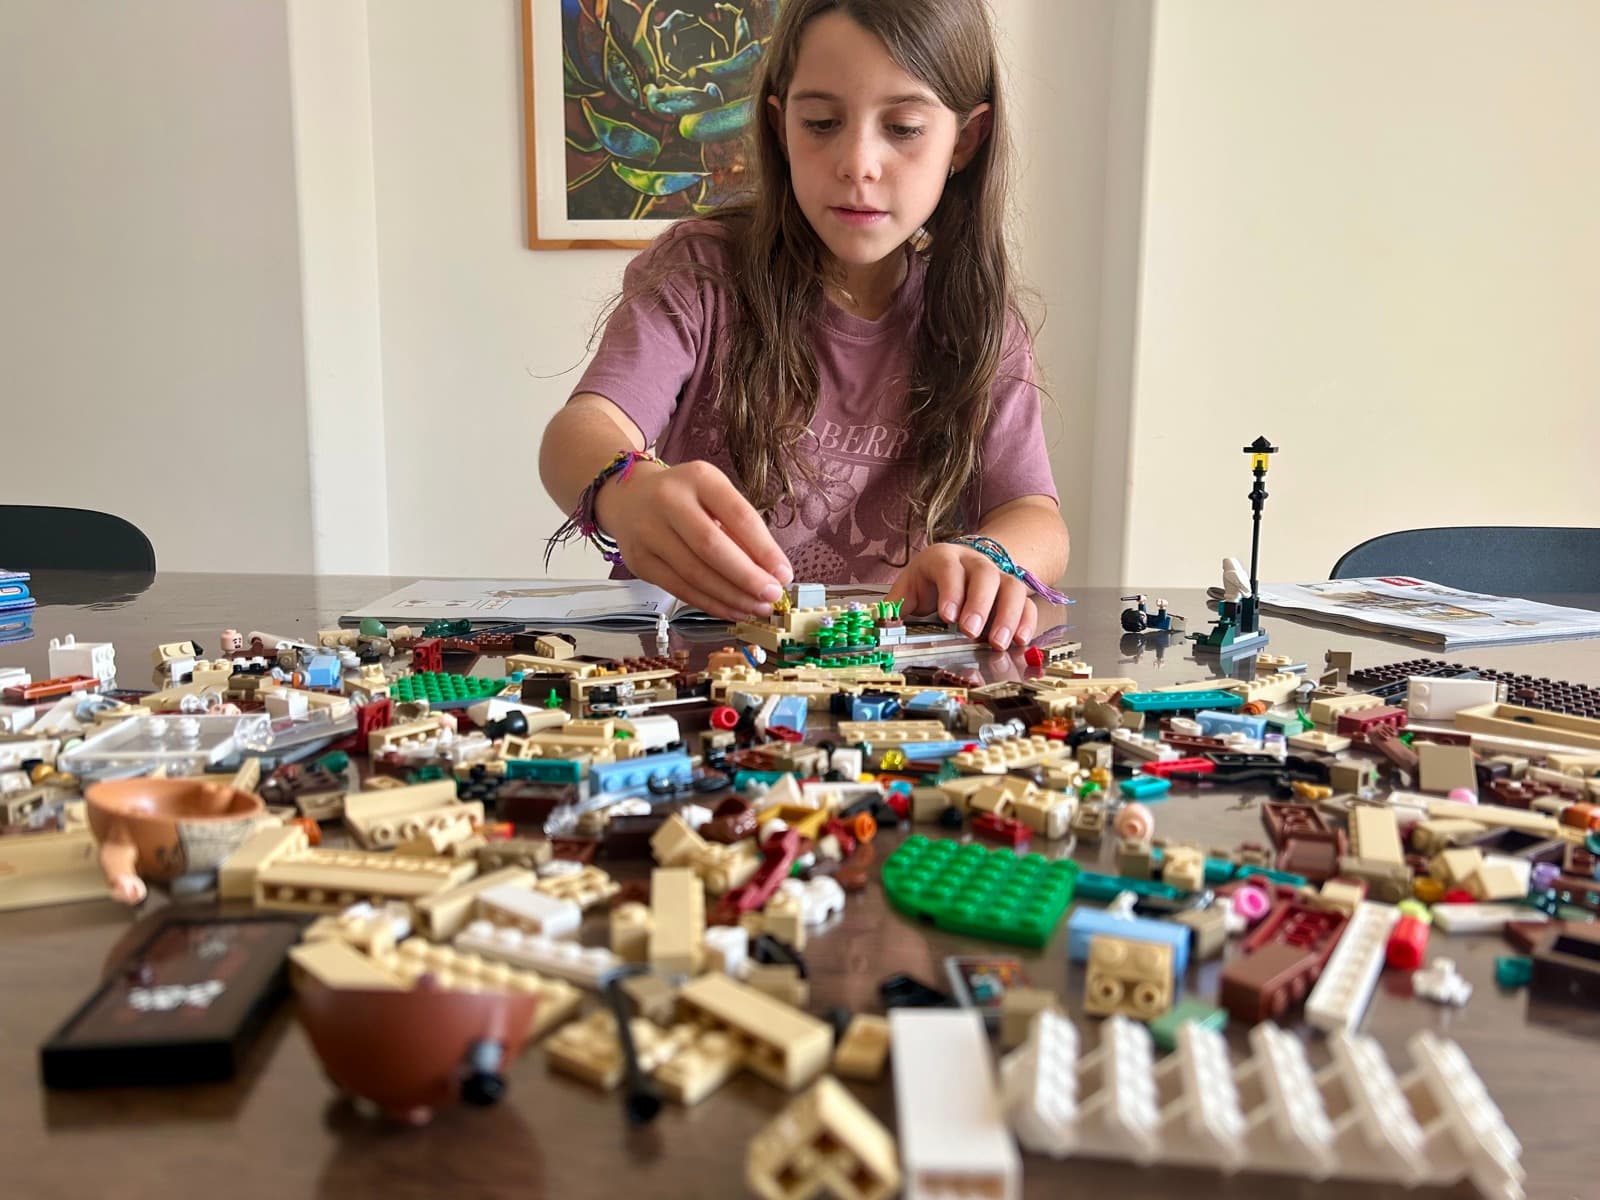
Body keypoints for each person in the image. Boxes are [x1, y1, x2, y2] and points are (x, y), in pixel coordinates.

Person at [539, 0, 1068, 651]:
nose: (858, 163)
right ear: (779, 126)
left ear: (965, 139)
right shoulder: (700, 272)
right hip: (691, 677)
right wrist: (628, 489)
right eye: (820, 123)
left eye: (902, 128)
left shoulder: (979, 320)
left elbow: (1036, 514)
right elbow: (581, 431)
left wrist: (990, 557)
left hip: (884, 689)